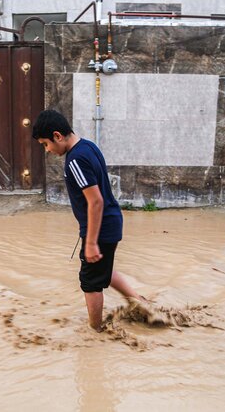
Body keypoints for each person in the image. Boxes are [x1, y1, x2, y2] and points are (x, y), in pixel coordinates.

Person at [32, 110, 148, 331]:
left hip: (100, 228)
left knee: (90, 283)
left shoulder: (75, 160)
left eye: (45, 144)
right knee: (104, 269)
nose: (47, 150)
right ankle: (140, 303)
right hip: (111, 222)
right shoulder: (89, 146)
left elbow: (95, 202)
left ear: (57, 135)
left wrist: (91, 242)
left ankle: (95, 332)